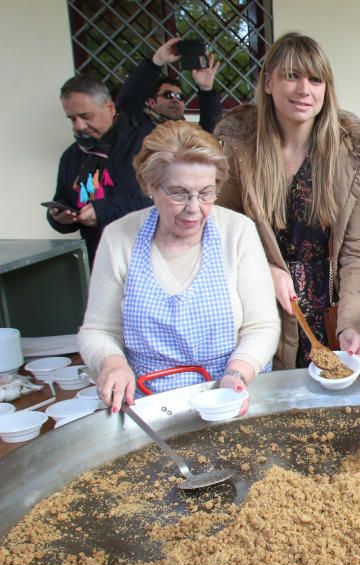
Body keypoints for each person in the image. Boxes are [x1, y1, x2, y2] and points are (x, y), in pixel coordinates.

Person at [78, 121, 280, 413]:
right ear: (151, 186)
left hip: (230, 397)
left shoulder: (237, 232)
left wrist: (236, 375)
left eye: (206, 193)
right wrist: (112, 362)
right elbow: (97, 330)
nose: (194, 208)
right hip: (150, 404)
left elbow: (262, 325)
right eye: (178, 193)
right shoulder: (119, 238)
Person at [215, 32, 360, 369]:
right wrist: (263, 269)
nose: (304, 90)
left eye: (315, 79)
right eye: (291, 76)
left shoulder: (354, 157)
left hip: (328, 318)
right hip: (259, 314)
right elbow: (219, 234)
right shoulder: (239, 152)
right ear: (268, 83)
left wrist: (352, 325)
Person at [49, 74, 153, 265]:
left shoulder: (147, 143)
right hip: (99, 261)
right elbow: (63, 198)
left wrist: (102, 211)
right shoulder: (71, 156)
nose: (79, 126)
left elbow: (164, 199)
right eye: (72, 119)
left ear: (110, 108)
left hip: (147, 257)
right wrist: (59, 218)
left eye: (86, 116)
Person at [116, 37, 223, 134]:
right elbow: (129, 100)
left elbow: (212, 131)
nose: (175, 100)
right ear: (151, 102)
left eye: (180, 97)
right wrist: (157, 61)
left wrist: (206, 89)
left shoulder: (190, 135)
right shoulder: (136, 127)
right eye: (168, 95)